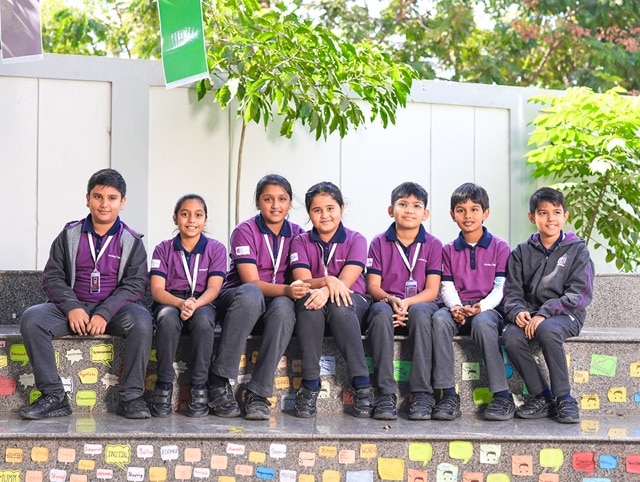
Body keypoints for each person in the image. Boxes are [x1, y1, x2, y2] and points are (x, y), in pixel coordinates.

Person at [19, 168, 153, 420]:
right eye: (98, 196)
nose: (104, 204)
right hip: (73, 307)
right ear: (87, 198)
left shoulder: (132, 241)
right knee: (32, 318)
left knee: (142, 321)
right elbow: (52, 277)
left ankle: (131, 397)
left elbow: (135, 285)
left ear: (122, 203)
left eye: (112, 198)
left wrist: (104, 312)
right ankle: (54, 397)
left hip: (114, 311)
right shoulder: (69, 235)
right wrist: (72, 307)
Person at [502, 187, 594, 423]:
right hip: (530, 314)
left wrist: (545, 313)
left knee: (548, 329)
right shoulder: (521, 252)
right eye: (543, 213)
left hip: (566, 314)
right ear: (532, 217)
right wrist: (517, 311)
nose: (550, 218)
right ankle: (541, 396)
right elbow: (511, 292)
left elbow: (579, 293)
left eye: (556, 212)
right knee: (510, 336)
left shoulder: (577, 250)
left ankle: (564, 398)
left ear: (566, 216)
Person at [224, 174, 310, 420]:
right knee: (252, 293)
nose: (275, 205)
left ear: (290, 203)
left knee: (285, 307)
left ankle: (257, 394)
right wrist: (286, 289)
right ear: (258, 202)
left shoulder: (298, 234)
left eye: (282, 199)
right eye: (268, 199)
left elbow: (303, 276)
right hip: (240, 302)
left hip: (276, 305)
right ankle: (220, 382)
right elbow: (250, 281)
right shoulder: (245, 230)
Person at [290, 181, 374, 418]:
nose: (324, 215)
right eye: (317, 210)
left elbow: (347, 280)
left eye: (330, 208)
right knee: (309, 306)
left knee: (339, 304)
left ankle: (361, 383)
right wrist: (328, 282)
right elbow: (302, 280)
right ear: (309, 214)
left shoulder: (356, 239)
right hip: (314, 298)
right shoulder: (300, 241)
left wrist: (329, 288)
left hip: (353, 300)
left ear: (341, 209)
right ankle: (310, 383)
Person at [432, 183, 513, 421]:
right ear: (452, 214)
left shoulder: (500, 247)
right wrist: (455, 307)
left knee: (483, 324)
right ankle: (447, 394)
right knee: (438, 319)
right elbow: (446, 286)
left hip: (488, 309)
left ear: (485, 213)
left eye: (474, 209)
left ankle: (501, 395)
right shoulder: (447, 250)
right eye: (461, 210)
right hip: (456, 307)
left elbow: (501, 287)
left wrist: (481, 308)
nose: (468, 216)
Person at [365, 182, 443, 420]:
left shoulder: (433, 244)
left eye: (416, 206)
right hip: (387, 303)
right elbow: (373, 286)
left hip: (420, 304)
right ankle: (386, 393)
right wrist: (392, 301)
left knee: (421, 313)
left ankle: (421, 393)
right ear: (391, 210)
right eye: (403, 204)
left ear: (425, 213)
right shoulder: (378, 242)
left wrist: (408, 303)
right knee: (378, 314)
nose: (409, 210)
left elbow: (432, 290)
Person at [148, 194, 227, 417]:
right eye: (185, 214)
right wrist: (182, 303)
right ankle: (163, 384)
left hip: (203, 302)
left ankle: (199, 386)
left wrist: (195, 304)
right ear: (175, 219)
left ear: (205, 220)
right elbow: (157, 290)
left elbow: (214, 288)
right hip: (171, 301)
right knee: (166, 318)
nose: (191, 220)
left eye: (198, 215)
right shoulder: (162, 249)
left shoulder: (216, 249)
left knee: (203, 320)